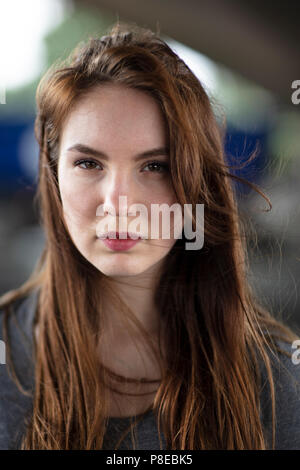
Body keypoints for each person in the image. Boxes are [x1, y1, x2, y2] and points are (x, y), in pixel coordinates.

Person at [1, 21, 300, 451]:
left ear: (197, 184)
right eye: (89, 164)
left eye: (155, 166)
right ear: (53, 177)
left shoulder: (279, 381)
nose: (120, 202)